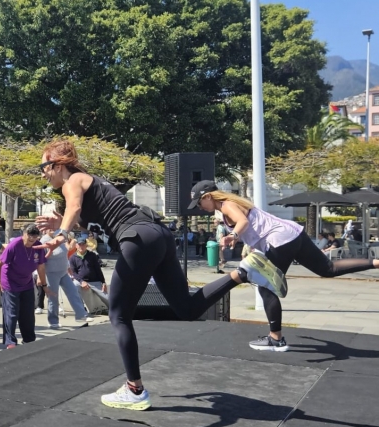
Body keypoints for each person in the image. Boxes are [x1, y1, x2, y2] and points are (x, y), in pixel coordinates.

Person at [35, 140, 287, 411]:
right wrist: (63, 224)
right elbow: (92, 217)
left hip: (137, 238)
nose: (43, 174)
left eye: (43, 167)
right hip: (158, 236)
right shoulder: (91, 182)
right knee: (187, 309)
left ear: (57, 165)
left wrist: (61, 234)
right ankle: (242, 273)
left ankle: (134, 390)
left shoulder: (72, 181)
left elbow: (74, 208)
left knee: (118, 315)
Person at [190, 180, 379, 351]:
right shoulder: (234, 203)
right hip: (293, 234)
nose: (200, 208)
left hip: (279, 240)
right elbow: (252, 225)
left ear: (208, 196)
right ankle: (376, 262)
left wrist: (233, 235)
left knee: (265, 286)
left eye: (199, 203)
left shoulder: (227, 205)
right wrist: (242, 240)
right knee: (328, 269)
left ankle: (276, 339)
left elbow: (243, 221)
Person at [0, 224, 53, 348]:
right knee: (12, 313)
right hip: (10, 282)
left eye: (34, 237)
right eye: (29, 236)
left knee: (28, 314)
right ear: (24, 234)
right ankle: (10, 342)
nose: (31, 240)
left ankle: (28, 339)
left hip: (26, 282)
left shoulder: (38, 246)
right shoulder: (14, 245)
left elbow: (41, 267)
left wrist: (44, 285)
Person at [38, 227, 91, 328]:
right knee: (53, 297)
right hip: (51, 273)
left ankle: (81, 315)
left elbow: (65, 254)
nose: (53, 229)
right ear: (46, 230)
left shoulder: (60, 237)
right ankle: (53, 321)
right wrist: (40, 277)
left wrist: (68, 267)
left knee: (73, 292)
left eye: (55, 227)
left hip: (64, 272)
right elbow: (41, 261)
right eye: (50, 228)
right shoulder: (44, 241)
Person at [69, 236, 106, 318]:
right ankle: (81, 309)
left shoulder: (92, 255)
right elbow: (73, 273)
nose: (81, 246)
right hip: (81, 281)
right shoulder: (72, 258)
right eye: (79, 244)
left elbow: (98, 269)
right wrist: (81, 281)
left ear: (86, 245)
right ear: (76, 246)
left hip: (95, 281)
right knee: (74, 285)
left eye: (83, 244)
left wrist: (103, 282)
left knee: (107, 298)